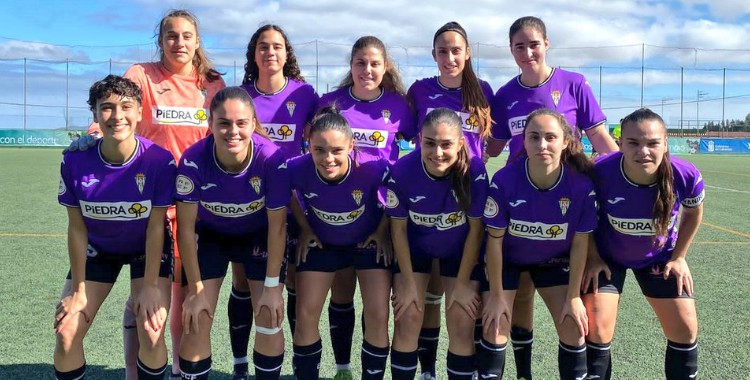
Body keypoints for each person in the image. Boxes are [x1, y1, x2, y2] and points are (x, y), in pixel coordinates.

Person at [74, 9, 226, 379]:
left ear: (197, 41)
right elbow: (117, 105)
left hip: (192, 202)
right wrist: (94, 132)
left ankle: (177, 366)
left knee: (184, 289)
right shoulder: (142, 74)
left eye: (187, 36)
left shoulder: (212, 83)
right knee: (144, 295)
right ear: (160, 41)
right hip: (147, 199)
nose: (179, 43)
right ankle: (133, 370)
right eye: (171, 36)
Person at [484, 17, 618, 379]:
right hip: (517, 209)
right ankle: (523, 372)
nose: (527, 53)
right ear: (510, 50)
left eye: (534, 44)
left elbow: (603, 141)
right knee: (520, 299)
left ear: (547, 44)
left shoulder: (573, 85)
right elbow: (491, 148)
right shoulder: (505, 95)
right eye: (519, 46)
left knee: (576, 317)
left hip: (561, 204)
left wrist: (626, 178)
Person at [54, 75, 175, 380]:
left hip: (146, 248)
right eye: (106, 108)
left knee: (151, 328)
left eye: (126, 106)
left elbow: (156, 228)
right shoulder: (74, 161)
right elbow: (77, 229)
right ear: (94, 115)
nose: (117, 116)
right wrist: (79, 290)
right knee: (67, 331)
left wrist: (148, 287)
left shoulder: (160, 161)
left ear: (139, 112)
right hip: (99, 248)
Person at [316, 35, 415, 379]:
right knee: (341, 297)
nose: (367, 70)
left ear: (385, 66)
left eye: (375, 63)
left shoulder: (400, 106)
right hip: (336, 219)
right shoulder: (330, 102)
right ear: (351, 66)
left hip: (380, 221)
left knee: (376, 310)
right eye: (360, 62)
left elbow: (419, 155)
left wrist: (387, 226)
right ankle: (343, 369)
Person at [175, 87, 289, 380]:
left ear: (252, 124)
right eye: (223, 123)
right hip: (211, 236)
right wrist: (196, 290)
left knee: (269, 314)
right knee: (197, 317)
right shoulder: (193, 160)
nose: (232, 131)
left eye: (241, 123)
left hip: (258, 236)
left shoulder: (271, 160)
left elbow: (277, 226)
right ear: (210, 124)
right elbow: (185, 230)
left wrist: (273, 286)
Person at [582, 108, 703, 379]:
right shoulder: (601, 171)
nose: (643, 151)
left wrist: (679, 256)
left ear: (665, 144)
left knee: (685, 328)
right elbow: (583, 215)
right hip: (607, 257)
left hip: (659, 257)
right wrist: (592, 256)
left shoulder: (684, 174)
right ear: (621, 143)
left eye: (652, 143)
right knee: (597, 329)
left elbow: (694, 213)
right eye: (634, 143)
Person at [479, 108, 596, 379]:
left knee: (574, 326)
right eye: (534, 137)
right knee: (495, 326)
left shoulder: (580, 186)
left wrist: (574, 296)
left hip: (553, 262)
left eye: (550, 137)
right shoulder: (506, 180)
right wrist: (496, 297)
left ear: (565, 142)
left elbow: (580, 245)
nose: (542, 145)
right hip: (507, 260)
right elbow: (494, 244)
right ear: (524, 141)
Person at [230, 24, 318, 379]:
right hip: (248, 204)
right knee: (242, 284)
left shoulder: (306, 94)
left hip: (293, 203)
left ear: (286, 54)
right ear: (254, 54)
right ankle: (239, 363)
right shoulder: (240, 95)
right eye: (263, 46)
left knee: (291, 281)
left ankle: (297, 363)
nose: (270, 52)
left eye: (277, 46)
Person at [406, 21, 493, 379]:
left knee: (466, 294)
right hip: (427, 193)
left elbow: (497, 141)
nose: (450, 57)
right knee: (430, 294)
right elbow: (402, 133)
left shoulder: (483, 91)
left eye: (456, 50)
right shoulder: (419, 91)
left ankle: (467, 369)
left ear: (467, 52)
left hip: (469, 195)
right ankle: (427, 370)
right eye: (442, 51)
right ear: (433, 55)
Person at [289, 107, 393, 380]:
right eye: (319, 150)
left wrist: (383, 230)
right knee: (306, 314)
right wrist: (305, 227)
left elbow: (399, 192)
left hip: (365, 243)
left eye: (336, 150)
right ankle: (336, 371)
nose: (328, 158)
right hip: (324, 244)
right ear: (308, 145)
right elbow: (285, 191)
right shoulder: (295, 168)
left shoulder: (373, 167)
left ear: (351, 146)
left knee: (378, 313)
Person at [387, 108, 488, 380]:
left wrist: (464, 283)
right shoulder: (403, 171)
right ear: (419, 139)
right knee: (408, 315)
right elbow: (398, 231)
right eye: (429, 143)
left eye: (446, 144)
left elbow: (476, 231)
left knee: (461, 319)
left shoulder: (474, 171)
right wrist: (407, 283)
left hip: (459, 252)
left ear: (460, 143)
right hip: (416, 249)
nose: (438, 152)